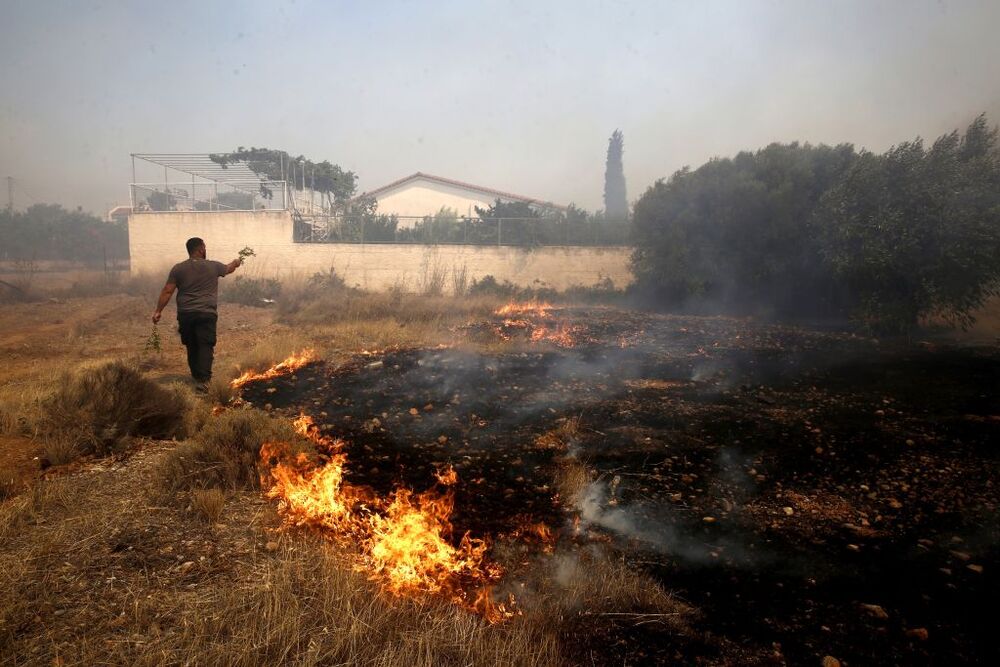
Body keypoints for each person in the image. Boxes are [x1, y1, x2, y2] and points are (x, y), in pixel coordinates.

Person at [152, 237, 243, 387]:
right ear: (200, 249)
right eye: (204, 247)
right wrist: (236, 262)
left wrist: (158, 311)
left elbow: (168, 291)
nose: (205, 250)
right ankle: (204, 381)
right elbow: (229, 268)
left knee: (192, 344)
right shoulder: (213, 266)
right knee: (205, 344)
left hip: (186, 313)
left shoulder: (178, 268)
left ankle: (196, 376)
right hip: (207, 313)